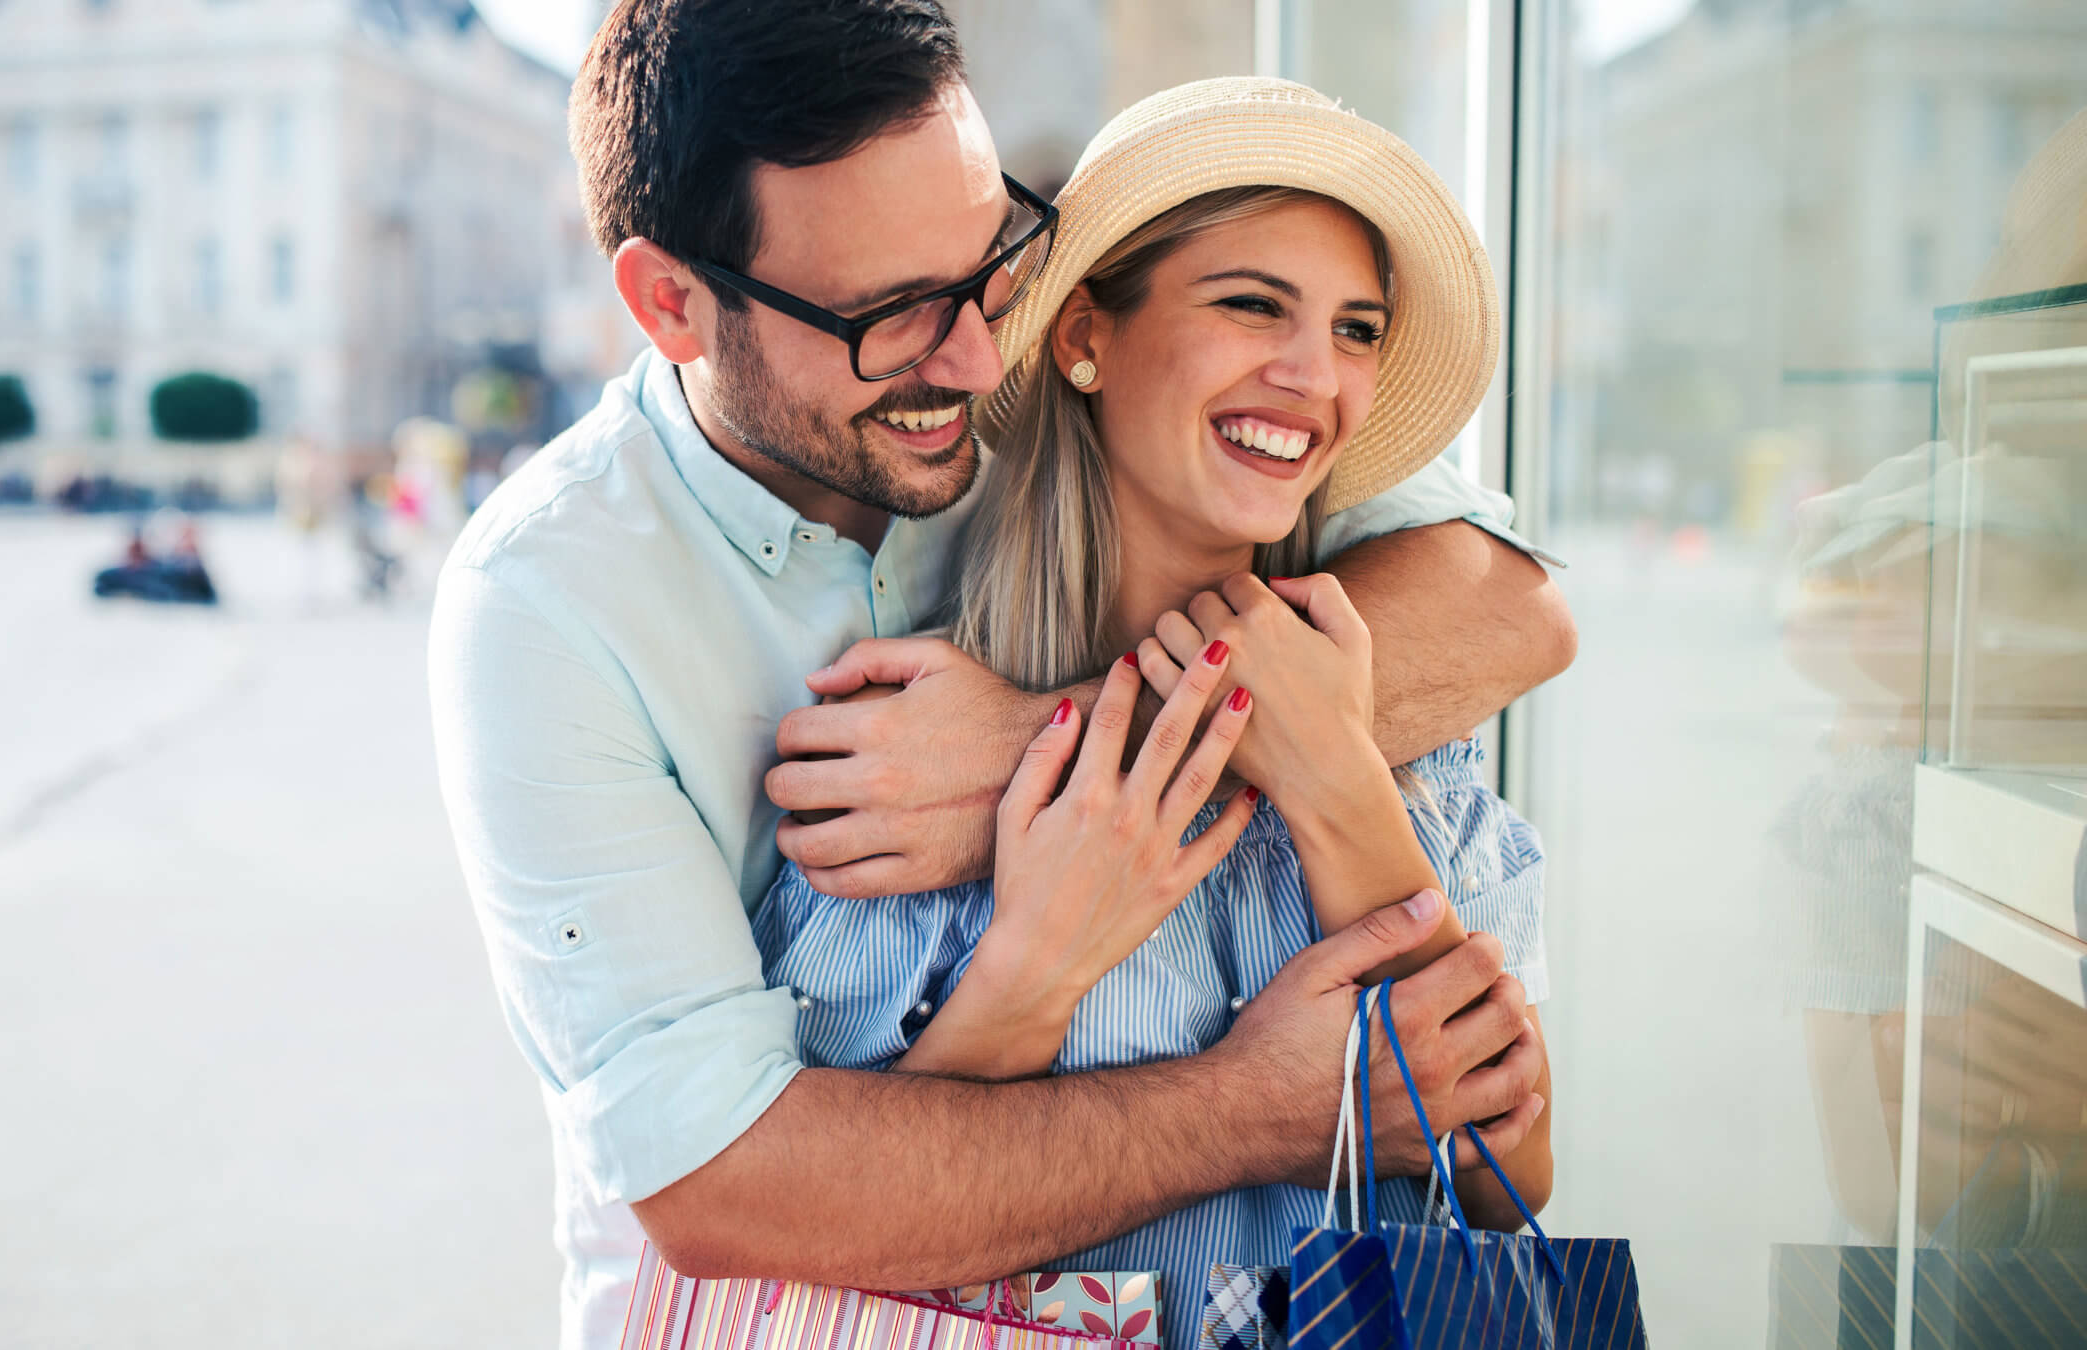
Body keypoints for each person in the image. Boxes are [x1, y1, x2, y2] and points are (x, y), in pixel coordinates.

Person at [426, 5, 1575, 1347]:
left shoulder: (1067, 377)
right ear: (672, 302)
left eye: (988, 265)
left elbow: (1512, 604)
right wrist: (1259, 1095)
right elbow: (737, 1182)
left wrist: (1065, 739)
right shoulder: (549, 609)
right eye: (892, 314)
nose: (981, 358)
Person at [752, 78, 1554, 1350]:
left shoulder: (1414, 747)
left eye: (1357, 330)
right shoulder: (918, 750)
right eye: (1251, 306)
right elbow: (856, 1250)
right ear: (1085, 337)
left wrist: (1336, 777)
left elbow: (1501, 1184)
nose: (1312, 375)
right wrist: (1037, 960)